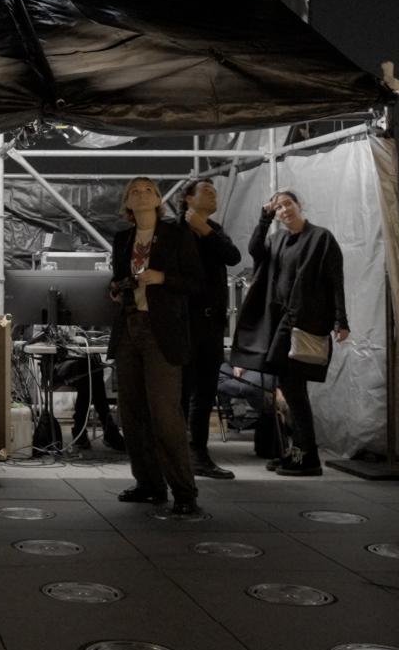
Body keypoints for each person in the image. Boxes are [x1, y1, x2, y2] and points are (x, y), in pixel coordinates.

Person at [229, 190, 349, 477]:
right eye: (278, 207)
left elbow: (336, 280)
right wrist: (263, 217)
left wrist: (340, 320)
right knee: (289, 390)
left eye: (287, 204)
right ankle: (298, 452)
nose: (284, 210)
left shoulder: (321, 238)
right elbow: (255, 250)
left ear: (299, 205)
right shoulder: (276, 239)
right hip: (279, 325)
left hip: (303, 323)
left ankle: (307, 456)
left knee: (294, 391)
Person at [109, 177, 206, 514]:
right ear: (128, 204)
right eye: (133, 191)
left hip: (162, 331)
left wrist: (163, 277)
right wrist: (117, 287)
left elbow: (197, 282)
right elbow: (120, 279)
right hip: (129, 328)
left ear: (158, 199)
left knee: (165, 414)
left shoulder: (177, 235)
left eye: (147, 189)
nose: (141, 193)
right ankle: (149, 484)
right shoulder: (123, 239)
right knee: (132, 413)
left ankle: (184, 491)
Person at [177, 177, 241, 479]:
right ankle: (177, 453)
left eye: (215, 191)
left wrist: (204, 230)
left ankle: (198, 454)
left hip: (212, 325)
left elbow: (234, 256)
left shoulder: (213, 230)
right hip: (186, 323)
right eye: (206, 191)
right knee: (181, 391)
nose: (213, 194)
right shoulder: (175, 229)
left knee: (204, 393)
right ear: (188, 198)